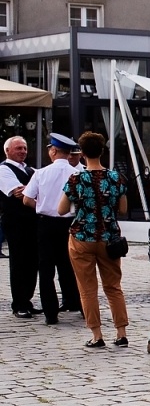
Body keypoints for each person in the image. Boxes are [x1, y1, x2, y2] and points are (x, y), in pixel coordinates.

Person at [60, 131, 129, 348]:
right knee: (113, 286)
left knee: (87, 289)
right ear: (102, 151)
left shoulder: (77, 178)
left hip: (82, 236)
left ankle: (97, 335)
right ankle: (121, 332)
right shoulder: (115, 177)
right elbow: (124, 209)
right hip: (109, 237)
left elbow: (61, 210)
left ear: (81, 154)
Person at [23, 133, 83, 324]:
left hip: (46, 223)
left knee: (46, 269)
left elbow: (26, 199)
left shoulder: (40, 173)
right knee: (73, 265)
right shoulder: (77, 174)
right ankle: (80, 305)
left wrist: (42, 207)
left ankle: (51, 313)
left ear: (54, 151)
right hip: (70, 223)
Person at [2, 135, 39, 318]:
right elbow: (18, 192)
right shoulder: (3, 169)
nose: (23, 152)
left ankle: (28, 299)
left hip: (33, 222)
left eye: (24, 148)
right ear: (7, 150)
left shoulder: (31, 170)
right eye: (18, 148)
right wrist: (35, 190)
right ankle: (19, 304)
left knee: (33, 263)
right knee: (18, 262)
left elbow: (38, 189)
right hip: (16, 222)